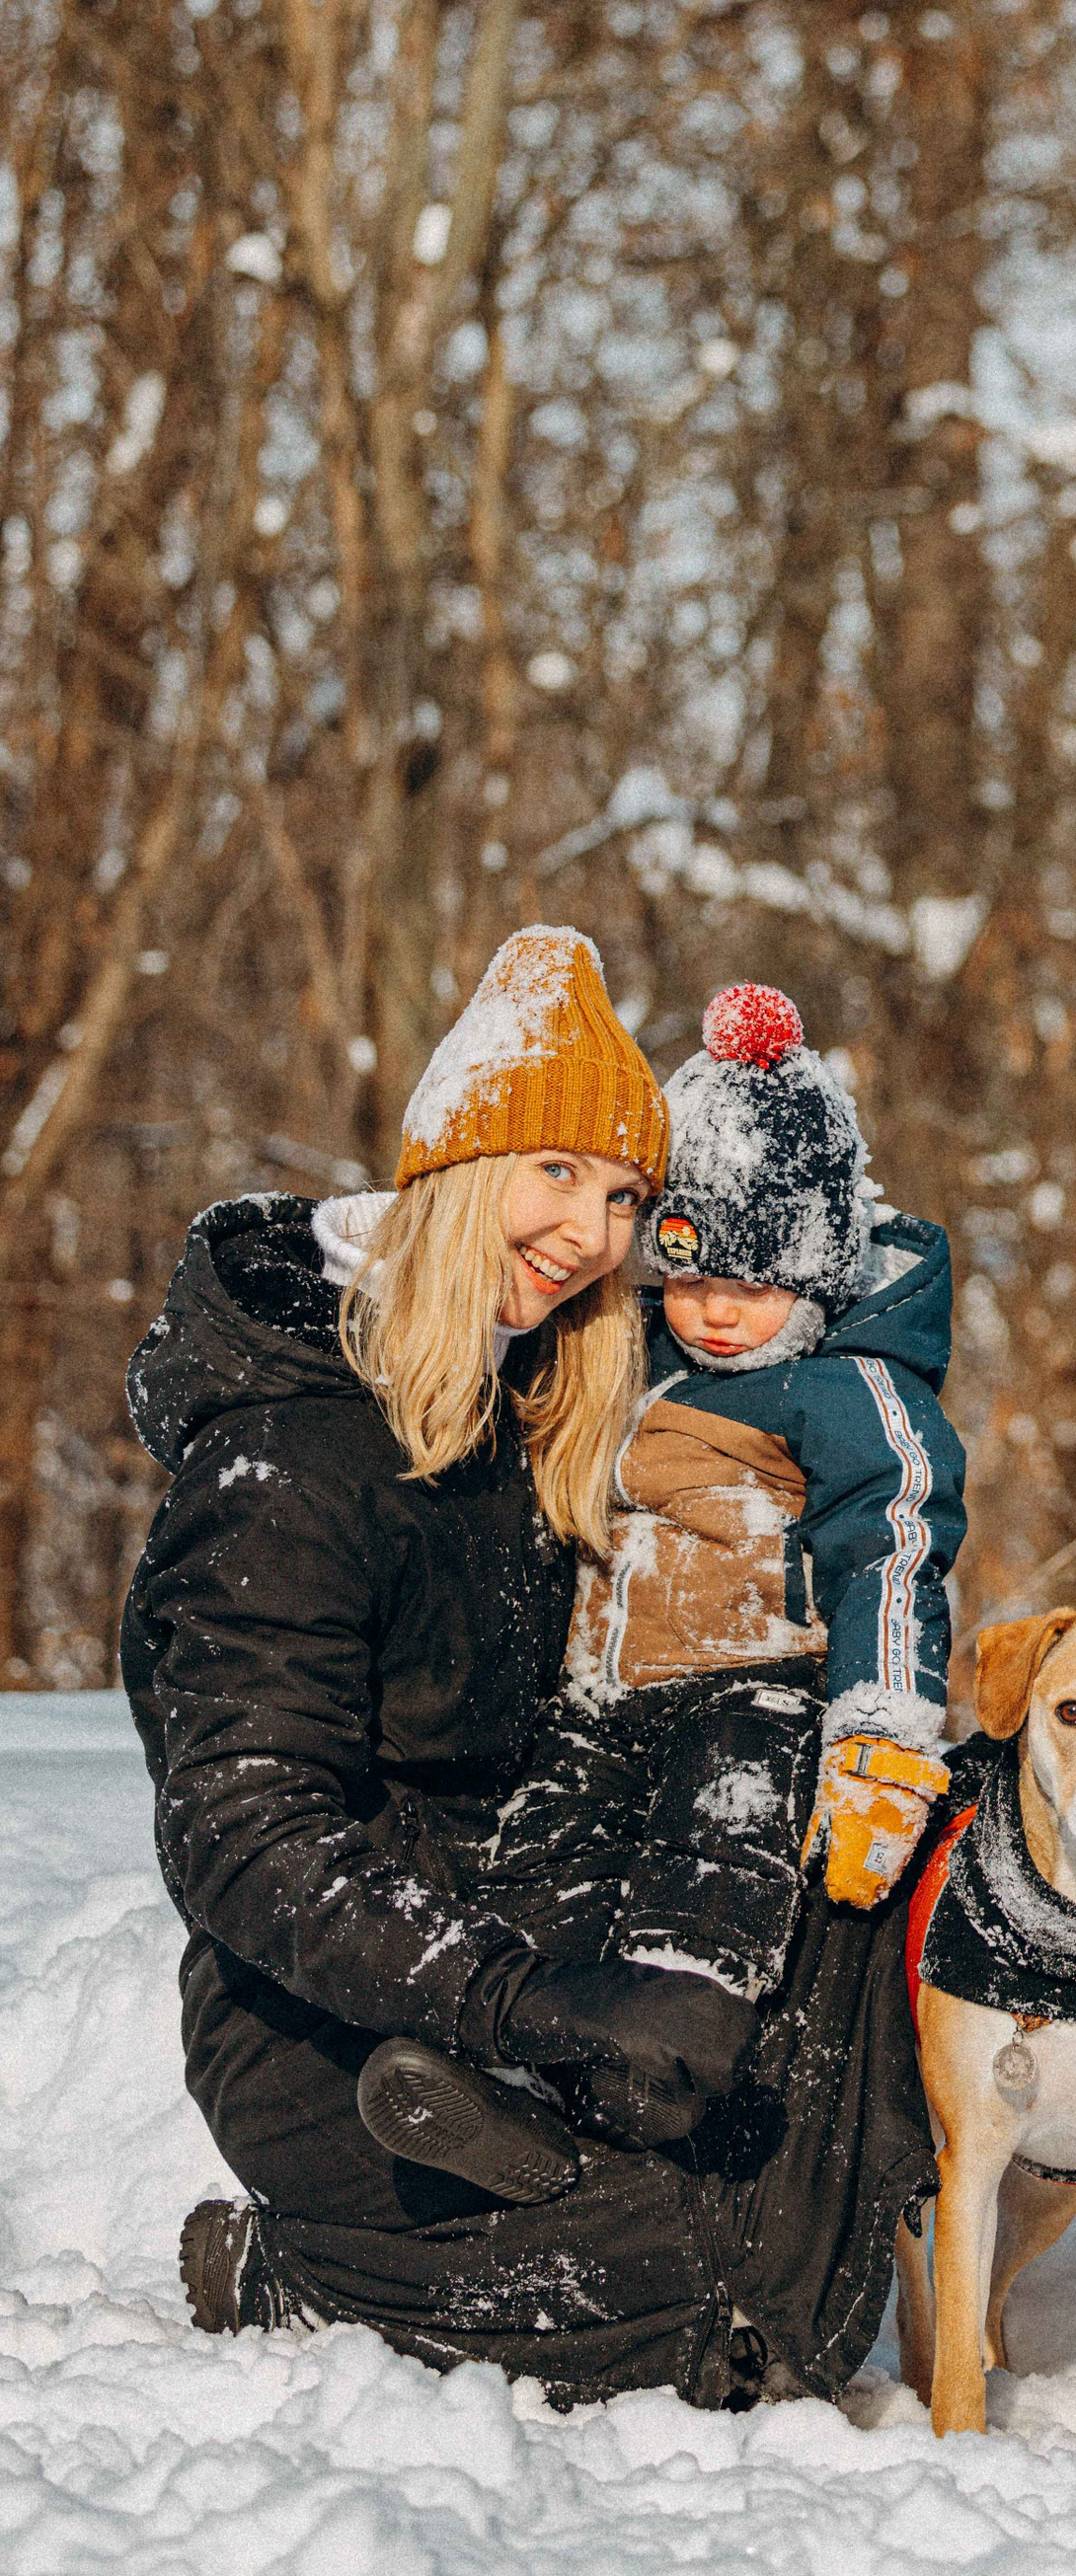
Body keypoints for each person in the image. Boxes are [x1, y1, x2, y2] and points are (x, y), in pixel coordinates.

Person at [122, 926, 933, 2407]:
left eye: (628, 1194)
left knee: (849, 1927)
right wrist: (525, 2004)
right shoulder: (281, 1455)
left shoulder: (540, 1412)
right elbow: (240, 1834)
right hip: (335, 2018)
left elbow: (813, 1392)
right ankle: (310, 2269)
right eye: (557, 1170)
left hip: (535, 1919)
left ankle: (600, 2169)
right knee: (740, 2285)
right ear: (455, 1161)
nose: (593, 1229)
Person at [360, 976, 963, 2179]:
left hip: (759, 1687)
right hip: (607, 1694)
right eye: (688, 1280)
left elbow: (892, 1543)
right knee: (546, 1846)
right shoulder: (626, 1356)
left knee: (720, 1835)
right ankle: (509, 2071)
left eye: (753, 1284)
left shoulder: (848, 1387)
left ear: (820, 1268)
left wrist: (883, 1736)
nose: (718, 1314)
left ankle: (671, 2043)